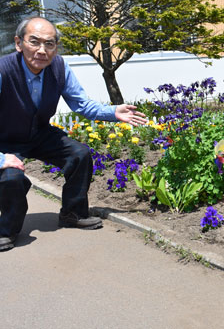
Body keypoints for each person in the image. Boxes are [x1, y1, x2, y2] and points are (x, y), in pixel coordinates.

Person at [0, 16, 147, 252]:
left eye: (49, 44)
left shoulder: (59, 68)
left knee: (79, 154)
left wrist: (113, 112)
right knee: (12, 178)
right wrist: (2, 158)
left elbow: (81, 105)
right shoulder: (3, 70)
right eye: (34, 42)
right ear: (18, 43)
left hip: (38, 133)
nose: (42, 50)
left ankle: (73, 213)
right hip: (4, 138)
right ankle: (6, 229)